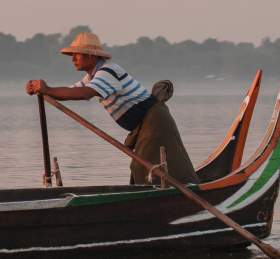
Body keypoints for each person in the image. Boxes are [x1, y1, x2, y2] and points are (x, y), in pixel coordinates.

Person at [25, 32, 199, 185]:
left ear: (92, 56)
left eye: (77, 54)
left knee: (146, 166)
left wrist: (47, 89)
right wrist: (41, 90)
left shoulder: (108, 71)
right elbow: (71, 92)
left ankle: (170, 195)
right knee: (143, 166)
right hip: (143, 125)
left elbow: (85, 93)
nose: (72, 58)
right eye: (72, 54)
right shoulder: (93, 75)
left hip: (154, 121)